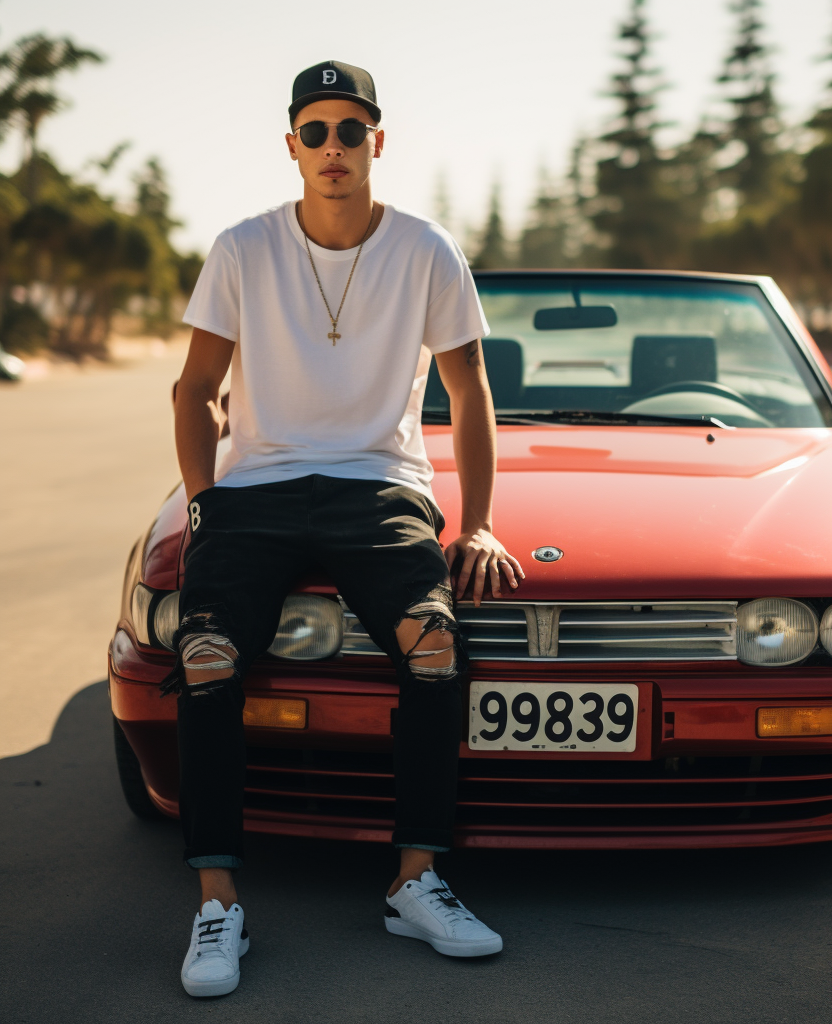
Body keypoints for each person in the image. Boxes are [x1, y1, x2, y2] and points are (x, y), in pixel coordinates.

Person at [169, 60, 525, 997]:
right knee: (205, 652)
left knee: (435, 645)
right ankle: (218, 903)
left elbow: (469, 391)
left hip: (378, 486)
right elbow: (195, 389)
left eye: (351, 131)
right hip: (258, 490)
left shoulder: (426, 249)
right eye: (316, 131)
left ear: (378, 140)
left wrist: (479, 522)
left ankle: (417, 882)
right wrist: (205, 500)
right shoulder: (242, 248)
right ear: (291, 145)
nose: (334, 148)